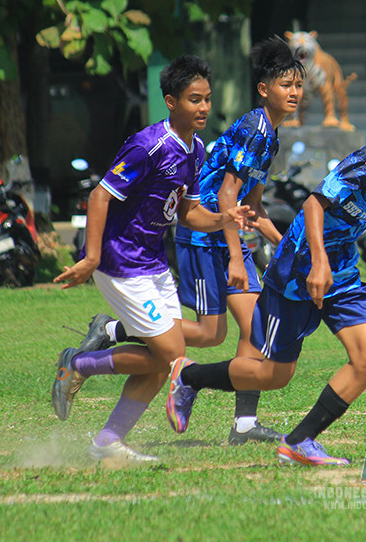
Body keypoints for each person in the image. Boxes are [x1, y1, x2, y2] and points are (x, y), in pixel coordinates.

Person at [163, 80, 366, 466]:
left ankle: (299, 440)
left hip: (341, 269)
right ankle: (189, 377)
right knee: (274, 375)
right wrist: (318, 261)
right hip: (298, 265)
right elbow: (314, 204)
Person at [76, 37, 303, 446]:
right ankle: (113, 343)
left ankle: (242, 425)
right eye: (286, 85)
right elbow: (225, 197)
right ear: (264, 89)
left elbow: (250, 206)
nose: (295, 93)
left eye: (298, 86)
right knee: (202, 339)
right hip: (204, 240)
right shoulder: (251, 129)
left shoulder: (263, 138)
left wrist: (290, 247)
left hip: (218, 232)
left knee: (233, 332)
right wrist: (237, 254)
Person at [51, 55, 250, 463]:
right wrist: (91, 257)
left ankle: (106, 442)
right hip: (121, 263)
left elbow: (189, 213)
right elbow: (100, 195)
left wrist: (222, 218)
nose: (205, 108)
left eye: (208, 99)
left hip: (154, 264)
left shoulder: (195, 150)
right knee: (172, 356)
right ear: (170, 101)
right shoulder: (148, 145)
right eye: (195, 100)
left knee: (162, 364)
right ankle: (80, 363)